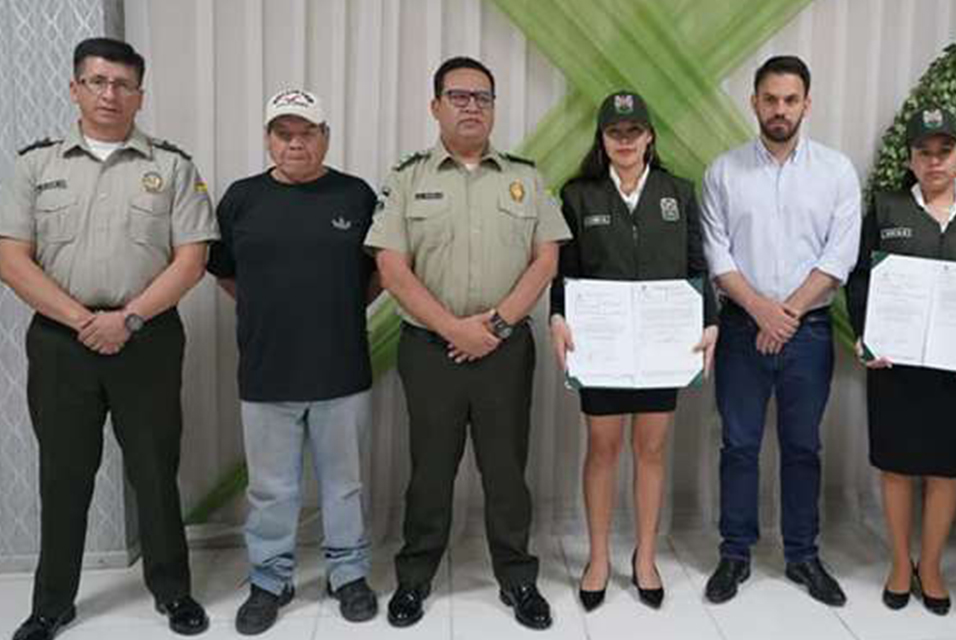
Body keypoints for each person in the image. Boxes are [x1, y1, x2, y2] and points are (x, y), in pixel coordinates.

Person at [0, 37, 217, 640]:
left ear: (139, 96)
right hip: (62, 343)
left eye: (122, 84)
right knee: (64, 474)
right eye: (97, 82)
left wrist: (128, 320)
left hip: (145, 337)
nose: (109, 94)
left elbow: (191, 259)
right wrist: (81, 320)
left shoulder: (171, 166)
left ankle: (173, 593)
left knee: (154, 469)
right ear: (75, 89)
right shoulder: (35, 166)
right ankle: (51, 605)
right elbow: (12, 258)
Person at [364, 56, 572, 631]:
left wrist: (498, 327)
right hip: (430, 349)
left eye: (482, 97)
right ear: (435, 107)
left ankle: (518, 578)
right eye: (458, 96)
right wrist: (455, 329)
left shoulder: (526, 176)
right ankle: (414, 578)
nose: (472, 106)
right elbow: (391, 267)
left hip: (505, 351)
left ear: (494, 108)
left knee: (506, 469)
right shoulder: (407, 177)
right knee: (430, 468)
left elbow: (546, 259)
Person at [205, 89, 380, 635]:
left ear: (325, 137)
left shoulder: (356, 196)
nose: (295, 143)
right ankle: (270, 580)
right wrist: (271, 311)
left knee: (343, 485)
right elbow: (228, 273)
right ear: (268, 140)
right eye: (284, 133)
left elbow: (377, 275)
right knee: (271, 489)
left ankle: (347, 574)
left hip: (341, 368)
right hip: (266, 371)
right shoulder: (240, 199)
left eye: (306, 132)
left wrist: (334, 309)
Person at [700, 55, 862, 607]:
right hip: (743, 331)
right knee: (739, 445)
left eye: (790, 100)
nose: (779, 110)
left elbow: (839, 256)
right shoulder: (723, 172)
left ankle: (803, 555)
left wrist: (786, 313)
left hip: (808, 333)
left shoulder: (837, 172)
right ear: (754, 102)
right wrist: (761, 312)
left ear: (806, 104)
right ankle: (735, 553)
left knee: (802, 447)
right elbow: (716, 253)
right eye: (770, 99)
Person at [549, 91, 719, 612]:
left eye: (633, 132)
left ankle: (646, 556)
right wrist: (557, 314)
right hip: (601, 346)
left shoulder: (678, 192)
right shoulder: (578, 195)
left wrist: (710, 321)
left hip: (661, 345)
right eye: (614, 133)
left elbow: (697, 264)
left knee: (650, 450)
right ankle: (598, 557)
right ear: (602, 140)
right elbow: (564, 269)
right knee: (602, 448)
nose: (624, 141)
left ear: (649, 136)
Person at [846, 107, 956, 616]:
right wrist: (865, 336)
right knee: (897, 468)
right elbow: (860, 279)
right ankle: (900, 562)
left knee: (944, 471)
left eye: (944, 151)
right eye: (924, 152)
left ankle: (932, 566)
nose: (934, 161)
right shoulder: (887, 208)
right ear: (911, 159)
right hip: (895, 363)